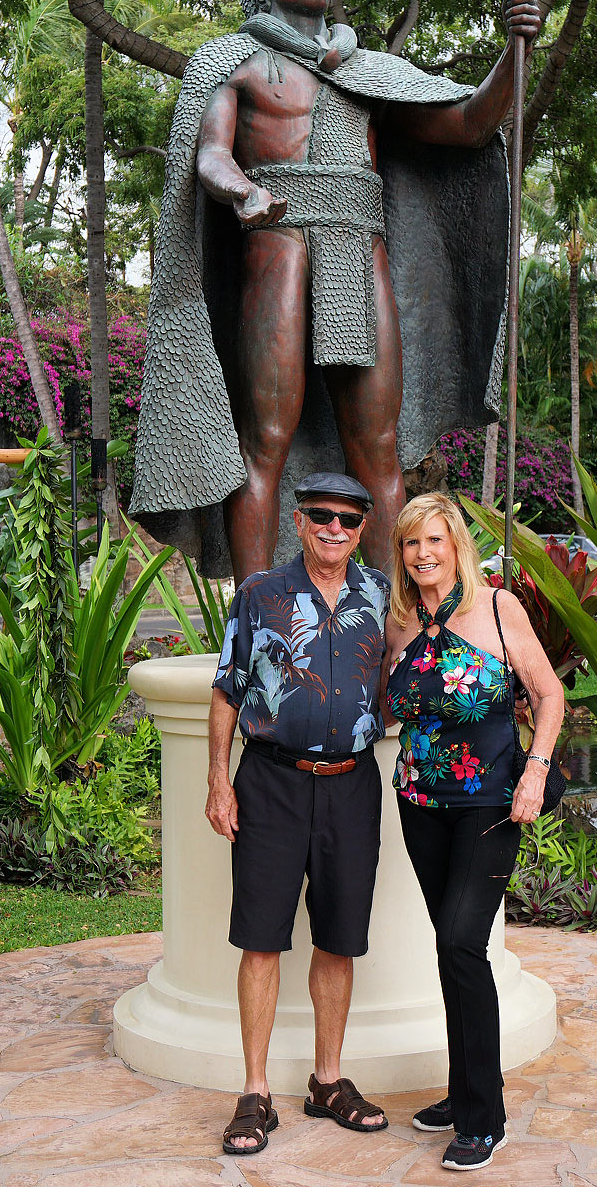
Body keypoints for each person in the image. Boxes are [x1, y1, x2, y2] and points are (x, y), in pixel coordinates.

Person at [130, 0, 542, 582]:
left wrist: (513, 55)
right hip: (278, 246)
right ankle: (254, 626)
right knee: (265, 441)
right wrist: (245, 192)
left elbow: (470, 121)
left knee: (377, 450)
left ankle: (390, 624)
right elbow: (210, 157)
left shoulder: (368, 71)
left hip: (360, 250)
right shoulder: (238, 62)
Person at [206, 471, 391, 1155]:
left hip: (351, 785)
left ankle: (327, 1081)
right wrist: (218, 781)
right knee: (260, 937)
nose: (335, 529)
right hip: (272, 783)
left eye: (348, 519)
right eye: (322, 516)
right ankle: (254, 1091)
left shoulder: (379, 595)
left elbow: (410, 671)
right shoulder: (260, 595)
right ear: (299, 521)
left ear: (363, 528)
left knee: (339, 937)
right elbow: (228, 689)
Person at [383, 493, 564, 1172]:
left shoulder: (497, 609)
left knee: (463, 939)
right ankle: (463, 1094)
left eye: (433, 539)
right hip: (419, 804)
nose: (422, 554)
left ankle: (486, 1118)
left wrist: (536, 770)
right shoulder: (400, 624)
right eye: (410, 543)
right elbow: (382, 704)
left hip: (490, 802)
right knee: (450, 947)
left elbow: (549, 694)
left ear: (456, 542)